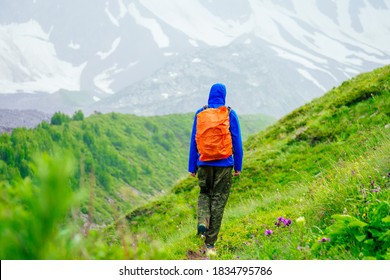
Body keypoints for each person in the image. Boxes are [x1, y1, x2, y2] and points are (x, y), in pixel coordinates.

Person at [188, 83, 243, 256]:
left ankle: (203, 221)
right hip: (224, 164)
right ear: (224, 95)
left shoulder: (200, 113)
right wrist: (238, 165)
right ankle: (210, 244)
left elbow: (193, 141)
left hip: (203, 163)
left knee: (204, 193)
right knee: (218, 200)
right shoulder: (229, 113)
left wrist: (192, 166)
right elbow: (237, 141)